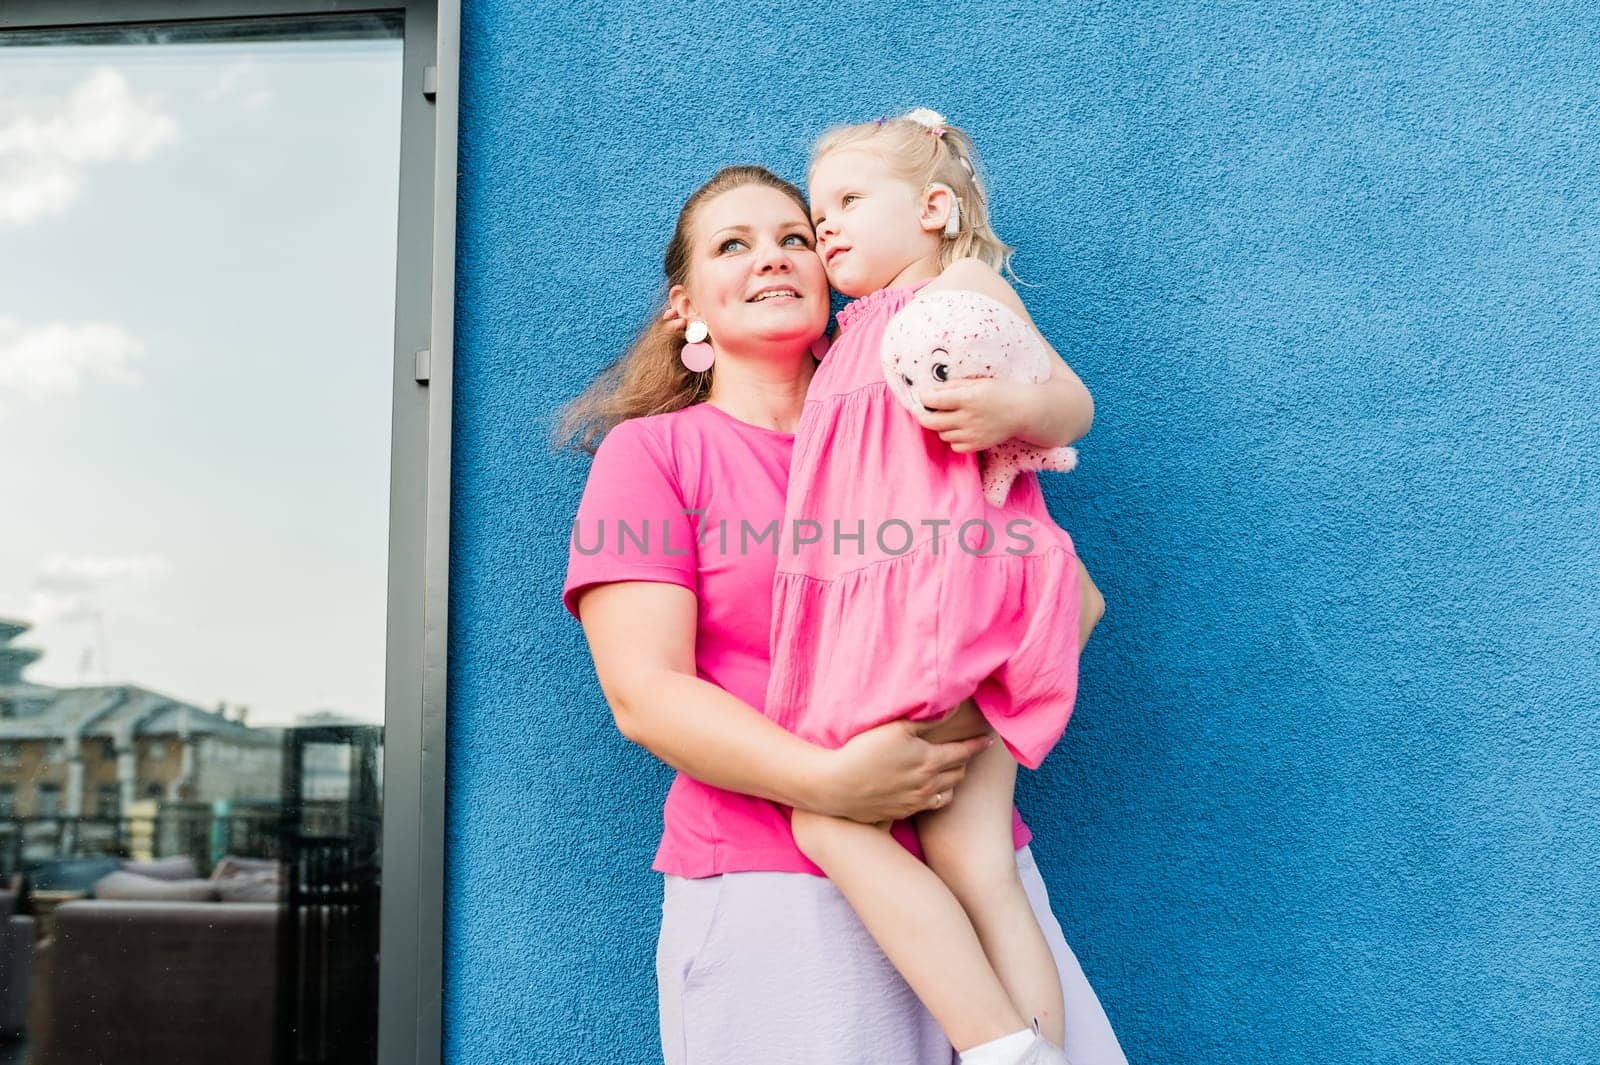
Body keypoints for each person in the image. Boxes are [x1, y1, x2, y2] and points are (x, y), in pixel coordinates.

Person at [557, 164, 1126, 1065]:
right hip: (773, 894)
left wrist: (938, 735)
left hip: (970, 877)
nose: (773, 259)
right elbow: (646, 693)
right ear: (685, 306)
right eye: (732, 245)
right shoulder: (655, 455)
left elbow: (1062, 601)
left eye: (795, 238)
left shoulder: (917, 417)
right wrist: (831, 786)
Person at [766, 109, 1099, 1065]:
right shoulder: (846, 339)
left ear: (935, 207)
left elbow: (1073, 401)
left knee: (830, 812)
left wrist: (1018, 404)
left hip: (947, 609)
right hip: (918, 606)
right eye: (816, 209)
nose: (825, 225)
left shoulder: (956, 288)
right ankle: (1036, 1050)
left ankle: (999, 1046)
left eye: (848, 201)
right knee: (971, 857)